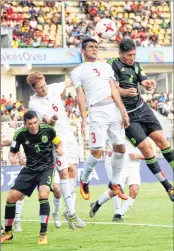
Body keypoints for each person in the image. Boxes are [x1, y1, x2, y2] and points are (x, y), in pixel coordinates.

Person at [107, 39, 174, 201]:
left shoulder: (136, 65)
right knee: (147, 149)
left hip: (142, 109)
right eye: (128, 55)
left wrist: (148, 84)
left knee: (162, 141)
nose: (131, 57)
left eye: (134, 54)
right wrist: (123, 92)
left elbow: (143, 80)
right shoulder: (112, 65)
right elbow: (112, 88)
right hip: (126, 115)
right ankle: (168, 187)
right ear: (120, 54)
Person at [71, 37, 130, 202]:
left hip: (113, 110)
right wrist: (84, 118)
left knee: (120, 149)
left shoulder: (106, 67)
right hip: (96, 111)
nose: (94, 49)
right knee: (97, 151)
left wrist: (123, 112)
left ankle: (116, 183)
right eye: (90, 47)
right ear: (82, 51)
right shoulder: (78, 71)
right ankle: (84, 178)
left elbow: (114, 90)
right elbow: (80, 95)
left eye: (96, 47)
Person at [27, 72, 85, 229]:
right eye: (40, 87)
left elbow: (69, 82)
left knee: (72, 170)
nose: (44, 88)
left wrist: (84, 75)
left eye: (44, 84)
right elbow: (48, 123)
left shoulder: (52, 88)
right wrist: (53, 119)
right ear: (34, 89)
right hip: (55, 140)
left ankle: (68, 210)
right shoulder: (34, 104)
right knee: (62, 176)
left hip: (69, 137)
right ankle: (71, 213)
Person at [1, 111, 63, 245]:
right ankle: (8, 232)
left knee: (43, 194)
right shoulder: (20, 134)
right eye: (30, 124)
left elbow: (59, 142)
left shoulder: (49, 130)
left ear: (39, 121)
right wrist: (13, 158)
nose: (33, 126)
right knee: (11, 197)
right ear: (25, 124)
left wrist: (60, 148)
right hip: (29, 169)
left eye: (35, 122)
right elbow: (12, 153)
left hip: (46, 169)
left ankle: (43, 234)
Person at [90, 138, 154, 220]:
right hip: (122, 166)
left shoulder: (146, 139)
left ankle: (118, 214)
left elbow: (151, 155)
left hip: (135, 168)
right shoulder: (127, 133)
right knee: (116, 191)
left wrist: (138, 156)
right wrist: (112, 151)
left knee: (134, 190)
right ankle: (97, 204)